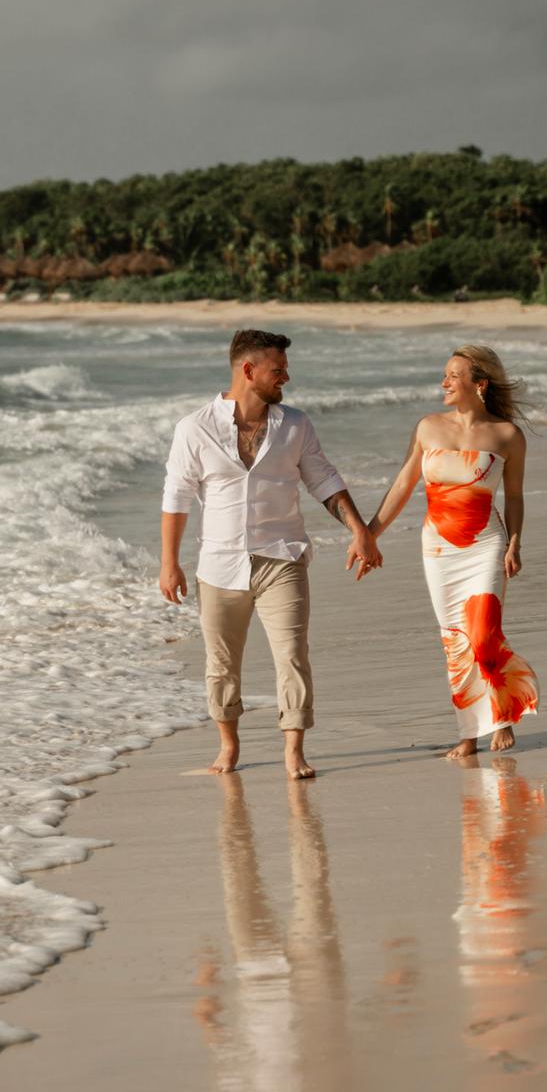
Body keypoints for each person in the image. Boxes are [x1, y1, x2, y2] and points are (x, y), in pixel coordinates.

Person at [159, 329, 381, 780]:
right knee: (221, 663)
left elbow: (324, 481)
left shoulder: (295, 425)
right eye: (278, 370)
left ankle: (294, 750)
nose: (287, 378)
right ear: (248, 370)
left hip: (282, 557)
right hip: (219, 565)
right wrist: (170, 563)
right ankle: (228, 745)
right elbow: (176, 497)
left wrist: (360, 530)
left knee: (292, 654)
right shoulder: (194, 428)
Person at [366, 344, 539, 757]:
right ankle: (468, 734)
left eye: (453, 375)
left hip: (486, 542)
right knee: (455, 641)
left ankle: (502, 714)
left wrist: (515, 542)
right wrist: (369, 534)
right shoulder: (428, 428)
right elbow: (403, 486)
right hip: (439, 549)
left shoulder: (507, 436)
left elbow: (513, 497)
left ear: (479, 384)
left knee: (482, 634)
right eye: (444, 374)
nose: (444, 382)